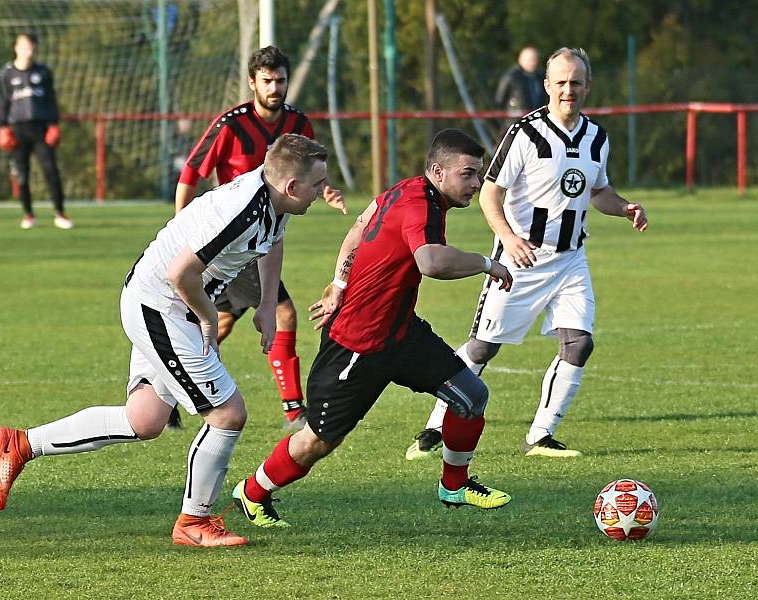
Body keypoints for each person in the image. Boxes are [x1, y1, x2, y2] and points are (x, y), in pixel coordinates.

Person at [0, 134, 330, 548]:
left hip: (166, 304)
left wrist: (267, 303)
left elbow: (272, 239)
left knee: (145, 419)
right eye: (317, 184)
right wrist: (208, 319)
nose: (322, 192)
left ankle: (21, 444)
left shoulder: (274, 196)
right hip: (162, 305)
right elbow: (180, 273)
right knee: (227, 414)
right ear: (292, 186)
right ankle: (194, 522)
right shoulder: (239, 210)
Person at [229, 129, 514, 530]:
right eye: (467, 174)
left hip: (401, 333)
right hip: (357, 345)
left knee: (471, 396)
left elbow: (358, 228)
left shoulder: (407, 191)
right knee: (317, 441)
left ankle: (455, 485)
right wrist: (487, 263)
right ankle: (253, 492)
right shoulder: (420, 205)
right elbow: (431, 262)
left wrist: (340, 283)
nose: (475, 183)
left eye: (478, 174)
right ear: (437, 170)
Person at [406, 48, 649, 461]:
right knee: (483, 348)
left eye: (576, 82)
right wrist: (508, 238)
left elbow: (598, 192)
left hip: (571, 259)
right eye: (561, 82)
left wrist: (624, 207)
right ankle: (433, 427)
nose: (568, 89)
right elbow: (490, 192)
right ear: (547, 85)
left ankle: (541, 436)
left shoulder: (597, 137)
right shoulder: (525, 132)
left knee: (579, 343)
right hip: (523, 258)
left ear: (587, 86)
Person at [170, 45, 345, 432]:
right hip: (234, 240)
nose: (275, 88)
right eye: (266, 81)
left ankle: (164, 395)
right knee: (282, 311)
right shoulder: (231, 124)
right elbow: (192, 173)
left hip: (265, 235)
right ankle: (294, 411)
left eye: (280, 80)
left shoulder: (298, 123)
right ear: (252, 83)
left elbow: (314, 170)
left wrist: (327, 191)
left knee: (220, 321)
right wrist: (181, 227)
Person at [0, 32, 72, 230]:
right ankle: (28, 214)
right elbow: (3, 101)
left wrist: (54, 124)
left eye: (31, 47)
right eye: (24, 47)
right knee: (22, 174)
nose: (28, 51)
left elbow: (51, 100)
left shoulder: (43, 72)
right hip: (18, 129)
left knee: (51, 171)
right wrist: (3, 127)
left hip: (41, 128)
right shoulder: (7, 73)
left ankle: (60, 213)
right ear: (16, 48)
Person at [495, 46, 548, 116]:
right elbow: (500, 100)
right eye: (530, 59)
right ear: (520, 59)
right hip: (516, 120)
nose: (533, 62)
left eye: (535, 58)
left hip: (538, 119)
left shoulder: (541, 77)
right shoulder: (512, 76)